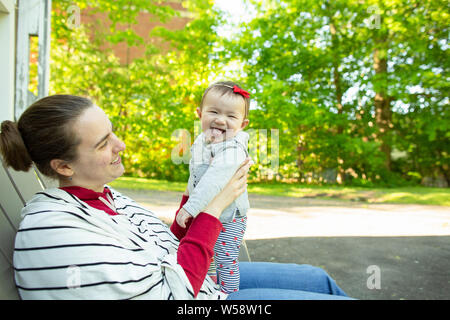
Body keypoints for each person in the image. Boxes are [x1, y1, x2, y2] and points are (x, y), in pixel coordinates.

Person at [0, 94, 350, 300]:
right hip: (194, 295)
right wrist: (214, 208)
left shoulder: (106, 197)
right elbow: (173, 296)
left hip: (201, 281)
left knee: (318, 279)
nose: (120, 145)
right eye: (104, 143)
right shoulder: (53, 230)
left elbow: (167, 243)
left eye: (113, 133)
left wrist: (193, 193)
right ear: (63, 166)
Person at [176, 81, 251, 294]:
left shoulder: (232, 150)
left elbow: (212, 182)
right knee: (205, 254)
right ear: (200, 114)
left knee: (225, 259)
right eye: (214, 111)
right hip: (207, 211)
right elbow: (195, 175)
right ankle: (206, 288)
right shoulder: (203, 140)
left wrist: (190, 208)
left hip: (229, 217)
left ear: (242, 124)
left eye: (231, 116)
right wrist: (187, 201)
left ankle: (228, 294)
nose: (220, 119)